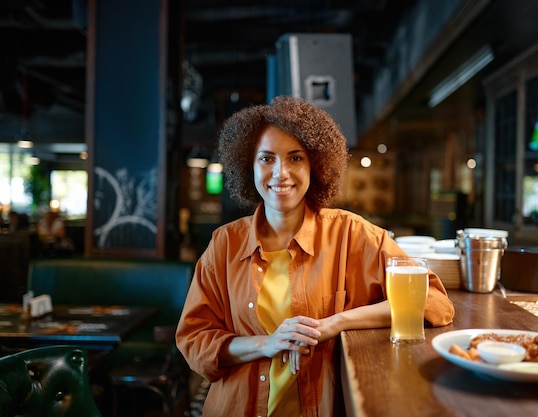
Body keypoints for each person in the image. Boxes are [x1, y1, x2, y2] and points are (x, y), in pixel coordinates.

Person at [175, 95, 455, 417]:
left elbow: (433, 301)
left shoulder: (351, 235)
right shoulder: (224, 244)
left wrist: (334, 323)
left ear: (315, 166)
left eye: (295, 158)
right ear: (248, 166)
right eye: (267, 159)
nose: (281, 173)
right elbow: (195, 340)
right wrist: (266, 344)